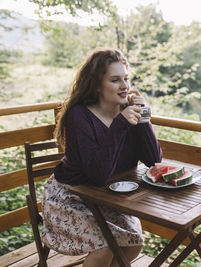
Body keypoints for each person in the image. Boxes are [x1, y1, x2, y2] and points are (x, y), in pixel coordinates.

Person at [41, 48, 162, 267]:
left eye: (126, 78)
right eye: (115, 80)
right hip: (70, 195)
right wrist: (121, 124)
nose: (125, 86)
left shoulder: (129, 111)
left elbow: (154, 160)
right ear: (97, 84)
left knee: (133, 243)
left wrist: (143, 115)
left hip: (107, 197)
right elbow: (98, 174)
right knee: (105, 246)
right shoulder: (79, 116)